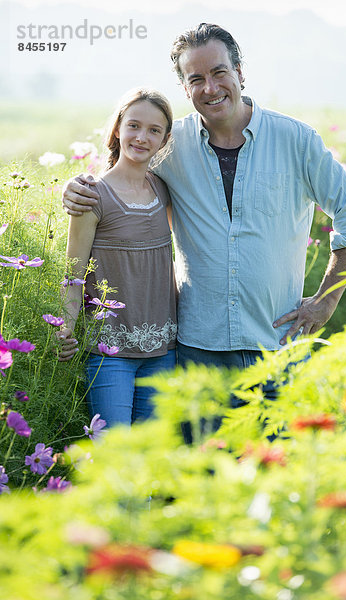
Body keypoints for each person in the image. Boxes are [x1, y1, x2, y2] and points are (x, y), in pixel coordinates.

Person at [62, 23, 346, 375]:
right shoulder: (170, 143)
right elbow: (123, 176)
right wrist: (79, 187)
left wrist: (326, 301)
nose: (210, 88)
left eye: (219, 72)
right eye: (196, 79)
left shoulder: (296, 140)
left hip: (279, 347)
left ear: (240, 73)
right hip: (198, 352)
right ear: (184, 88)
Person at [57, 88, 177, 427]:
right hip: (110, 353)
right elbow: (74, 275)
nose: (142, 137)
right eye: (134, 126)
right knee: (112, 453)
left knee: (150, 452)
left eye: (154, 130)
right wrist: (65, 327)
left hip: (163, 351)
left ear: (164, 139)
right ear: (117, 130)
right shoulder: (92, 196)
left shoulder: (162, 191)